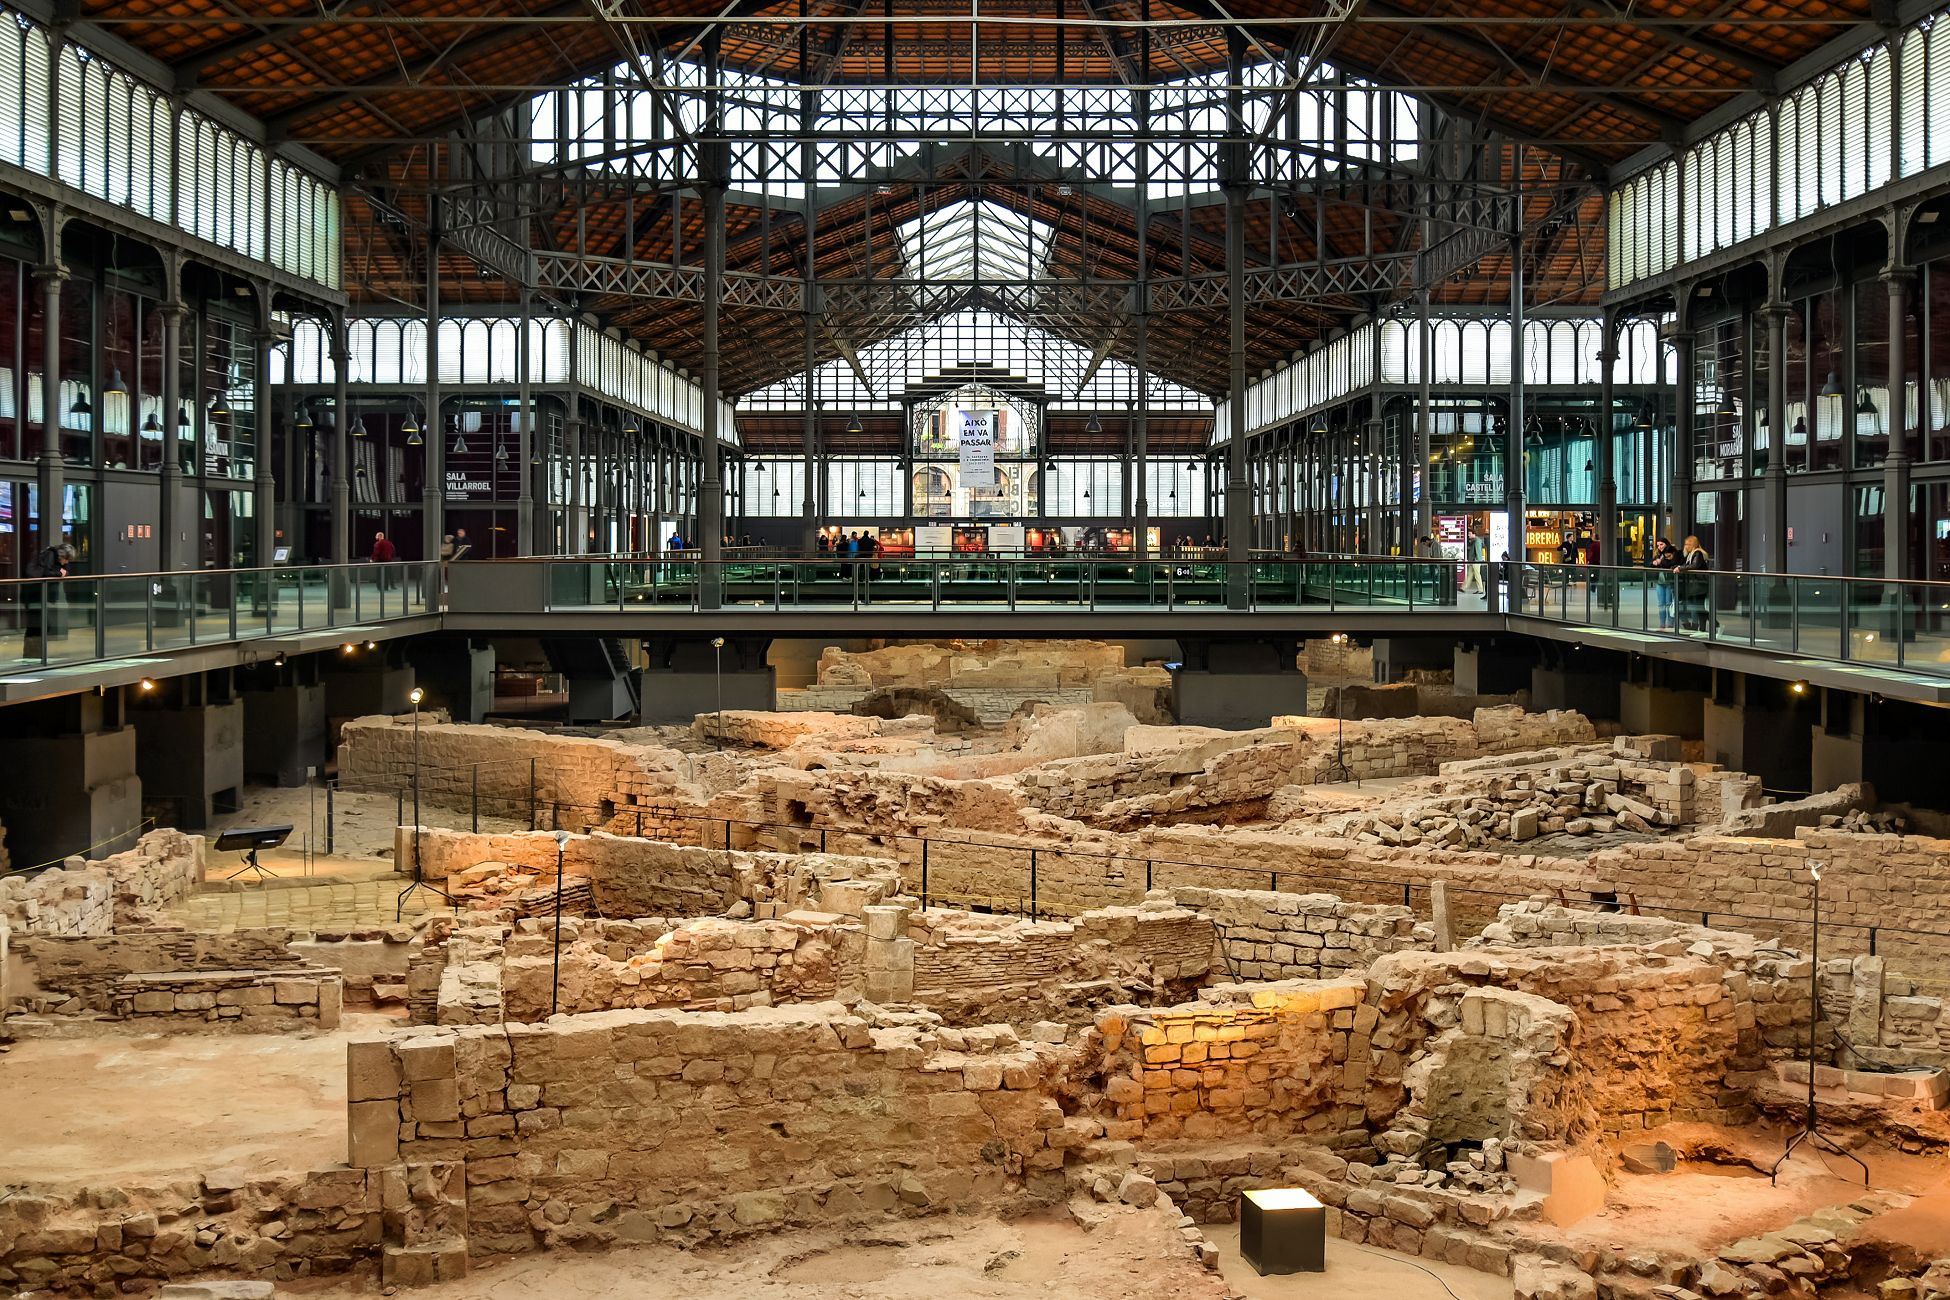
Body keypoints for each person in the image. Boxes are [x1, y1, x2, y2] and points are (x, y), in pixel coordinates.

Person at [1677, 534, 1712, 632]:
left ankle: (1704, 627)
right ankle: (1704, 627)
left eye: (1688, 544)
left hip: (1700, 585)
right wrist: (1677, 567)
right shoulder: (1690, 555)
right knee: (1698, 607)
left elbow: (1695, 565)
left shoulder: (1697, 553)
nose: (1686, 546)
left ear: (1693, 545)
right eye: (1685, 544)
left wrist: (1680, 568)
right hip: (1695, 586)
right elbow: (1686, 565)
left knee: (1698, 607)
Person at [1650, 537, 1680, 629]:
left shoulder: (1673, 552)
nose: (1659, 547)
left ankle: (1670, 623)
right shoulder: (1657, 554)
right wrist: (1655, 563)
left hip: (1669, 581)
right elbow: (1651, 564)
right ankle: (1662, 624)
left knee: (1669, 603)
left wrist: (1661, 562)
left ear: (1666, 544)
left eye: (1661, 544)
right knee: (1661, 604)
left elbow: (1672, 563)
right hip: (1660, 581)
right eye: (1658, 545)